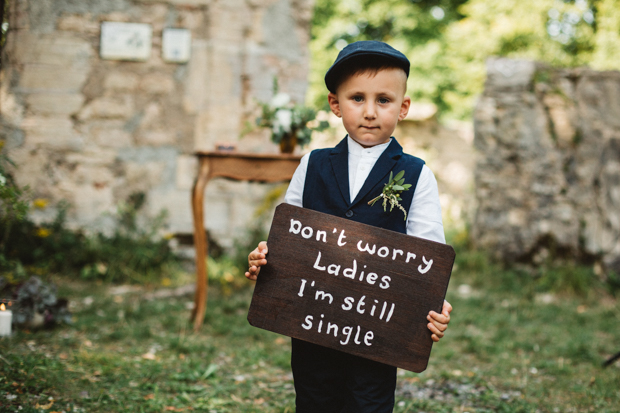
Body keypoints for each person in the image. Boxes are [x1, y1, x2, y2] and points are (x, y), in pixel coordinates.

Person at [245, 40, 452, 413]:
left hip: (378, 331)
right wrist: (266, 257)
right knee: (314, 398)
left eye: (384, 100)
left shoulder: (417, 174)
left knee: (369, 403)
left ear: (403, 107)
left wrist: (434, 303)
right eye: (357, 98)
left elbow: (428, 255)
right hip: (313, 321)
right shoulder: (313, 164)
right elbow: (289, 235)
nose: (370, 112)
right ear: (335, 104)